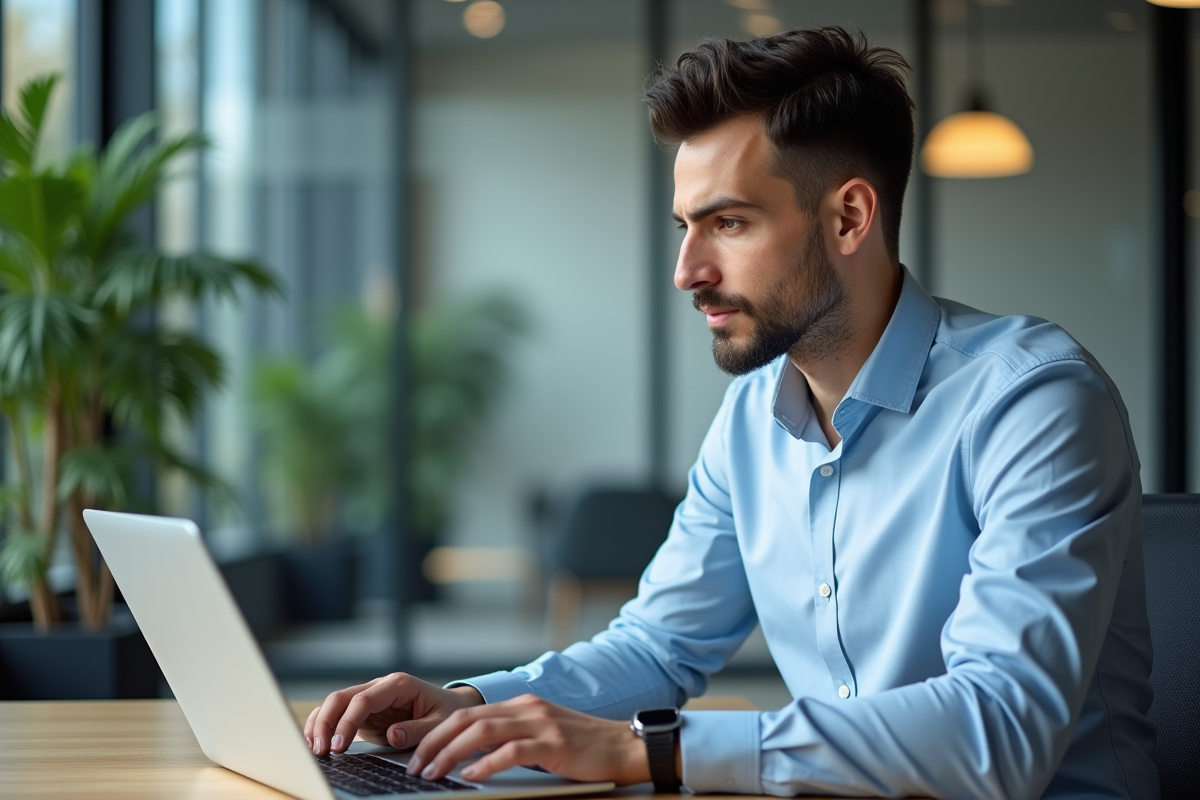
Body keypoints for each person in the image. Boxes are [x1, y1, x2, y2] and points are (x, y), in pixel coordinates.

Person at [305, 27, 1157, 799]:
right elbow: (658, 647)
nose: (686, 269)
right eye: (684, 225)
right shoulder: (752, 416)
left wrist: (656, 751)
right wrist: (466, 704)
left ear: (850, 216)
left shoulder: (1034, 403)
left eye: (729, 223)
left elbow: (997, 735)